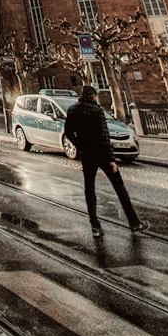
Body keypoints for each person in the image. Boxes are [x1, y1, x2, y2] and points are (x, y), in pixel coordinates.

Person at [63, 85, 148, 238]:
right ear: (93, 96)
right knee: (120, 189)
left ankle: (95, 226)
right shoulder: (97, 111)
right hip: (102, 154)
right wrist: (111, 160)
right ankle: (134, 223)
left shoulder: (72, 109)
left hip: (87, 155)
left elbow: (68, 132)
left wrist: (80, 146)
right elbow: (104, 137)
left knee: (90, 190)